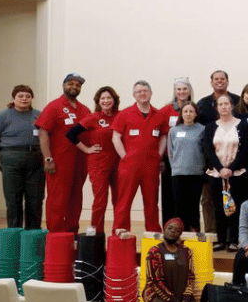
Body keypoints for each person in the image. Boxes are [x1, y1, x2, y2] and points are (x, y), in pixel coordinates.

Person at [113, 80, 169, 234]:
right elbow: (115, 137)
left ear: (151, 93)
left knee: (151, 202)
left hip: (151, 165)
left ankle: (153, 233)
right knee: (124, 201)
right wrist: (125, 156)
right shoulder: (124, 114)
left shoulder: (159, 115)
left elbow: (164, 136)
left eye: (145, 91)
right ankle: (120, 232)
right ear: (134, 95)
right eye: (139, 92)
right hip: (129, 166)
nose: (142, 94)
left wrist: (158, 155)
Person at [37, 73, 90, 233]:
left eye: (78, 84)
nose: (74, 87)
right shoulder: (54, 107)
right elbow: (43, 132)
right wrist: (48, 158)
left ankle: (72, 233)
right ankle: (55, 235)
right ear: (63, 85)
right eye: (70, 83)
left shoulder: (85, 109)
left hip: (80, 162)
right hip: (59, 162)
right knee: (57, 199)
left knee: (76, 198)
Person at [0, 85, 44, 229]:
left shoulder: (38, 115)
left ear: (31, 99)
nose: (24, 99)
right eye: (20, 96)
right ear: (13, 98)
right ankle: (14, 233)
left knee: (35, 199)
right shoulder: (3, 116)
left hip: (35, 160)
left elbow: (46, 137)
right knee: (13, 199)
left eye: (28, 96)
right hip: (11, 160)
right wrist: (8, 152)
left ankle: (33, 235)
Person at [67, 86, 120, 234]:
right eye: (103, 98)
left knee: (119, 199)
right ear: (98, 101)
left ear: (114, 100)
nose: (106, 101)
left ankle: (118, 231)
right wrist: (86, 149)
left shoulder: (120, 116)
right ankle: (96, 234)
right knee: (100, 200)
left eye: (109, 98)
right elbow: (71, 134)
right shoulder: (93, 118)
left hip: (118, 161)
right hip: (98, 162)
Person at [206, 94, 248, 248]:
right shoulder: (210, 127)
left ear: (232, 106)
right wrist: (220, 169)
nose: (223, 107)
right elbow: (208, 150)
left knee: (236, 207)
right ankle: (221, 240)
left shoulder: (243, 125)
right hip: (216, 174)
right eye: (220, 104)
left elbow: (246, 149)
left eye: (226, 103)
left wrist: (231, 169)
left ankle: (234, 240)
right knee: (219, 207)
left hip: (237, 174)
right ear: (217, 107)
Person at [139, 218, 199, 302]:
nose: (172, 231)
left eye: (176, 230)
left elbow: (191, 277)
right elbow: (156, 282)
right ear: (164, 230)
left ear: (180, 234)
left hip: (181, 296)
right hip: (160, 297)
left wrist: (186, 299)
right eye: (169, 228)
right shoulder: (154, 252)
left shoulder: (187, 252)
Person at [166, 103, 208, 232]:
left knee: (193, 206)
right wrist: (176, 167)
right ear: (181, 114)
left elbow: (205, 151)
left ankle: (194, 233)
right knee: (179, 205)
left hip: (196, 174)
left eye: (191, 111)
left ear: (195, 114)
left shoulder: (202, 129)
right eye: (185, 111)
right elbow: (170, 152)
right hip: (178, 174)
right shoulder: (174, 131)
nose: (188, 114)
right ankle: (179, 233)